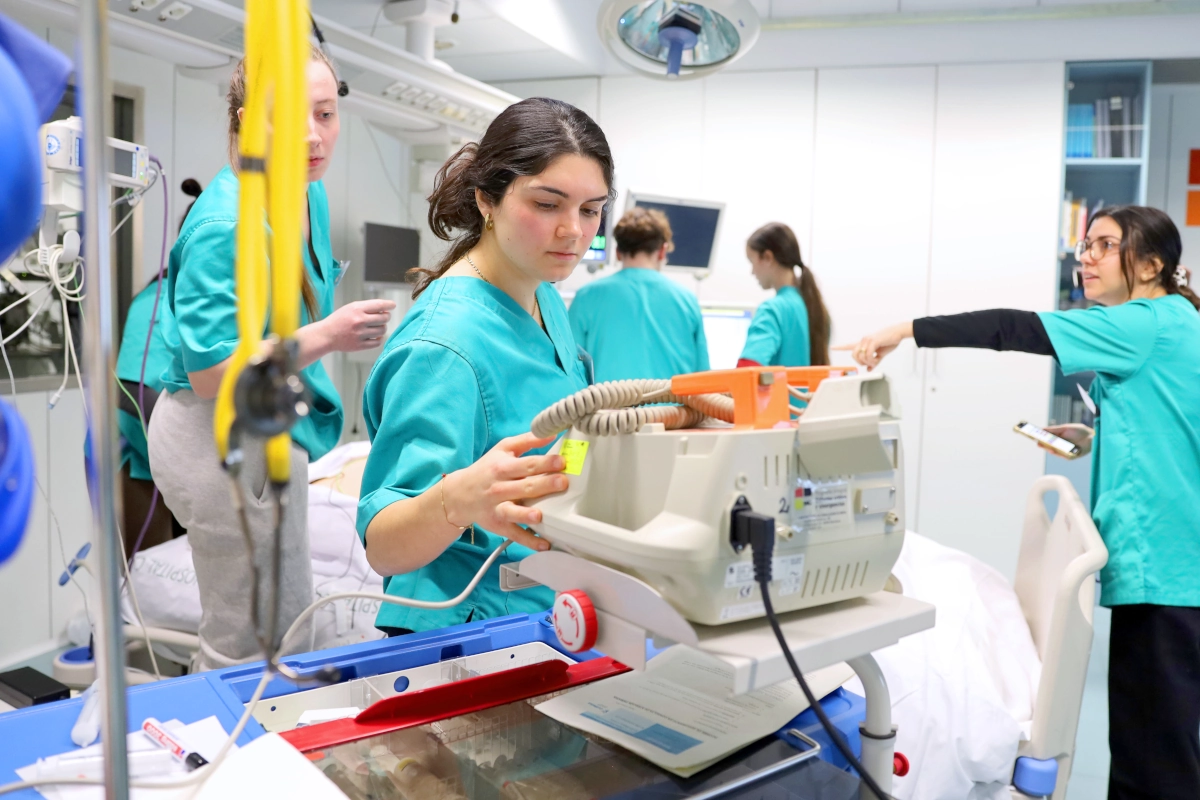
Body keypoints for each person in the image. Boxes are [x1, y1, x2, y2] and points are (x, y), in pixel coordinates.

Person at [840, 205, 1200, 800]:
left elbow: (1014, 329)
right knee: (1158, 743)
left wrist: (901, 331)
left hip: (1163, 563)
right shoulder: (1177, 322)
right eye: (1085, 245)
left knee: (1154, 759)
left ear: (1154, 263)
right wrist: (1094, 436)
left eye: (1105, 245)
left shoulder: (1144, 322)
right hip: (1175, 556)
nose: (1086, 257)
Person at [146, 47, 395, 670]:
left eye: (326, 113)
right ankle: (224, 756)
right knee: (248, 644)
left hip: (269, 423)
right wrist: (330, 336)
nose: (313, 136)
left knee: (287, 625)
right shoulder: (226, 223)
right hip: (215, 432)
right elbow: (210, 373)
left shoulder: (305, 196)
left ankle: (273, 737)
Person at [357, 97, 612, 636]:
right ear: (486, 200)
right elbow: (382, 542)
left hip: (545, 604)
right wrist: (458, 499)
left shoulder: (542, 298)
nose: (574, 230)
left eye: (591, 210)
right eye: (548, 205)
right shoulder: (444, 345)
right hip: (463, 627)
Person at [567, 207, 708, 381]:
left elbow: (570, 368)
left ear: (618, 253)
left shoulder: (586, 297)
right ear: (663, 251)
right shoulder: (686, 300)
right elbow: (703, 378)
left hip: (607, 407)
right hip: (672, 408)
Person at [738, 222, 831, 367]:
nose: (752, 272)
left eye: (752, 261)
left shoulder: (772, 310)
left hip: (780, 391)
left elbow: (748, 369)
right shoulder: (815, 307)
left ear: (768, 257)